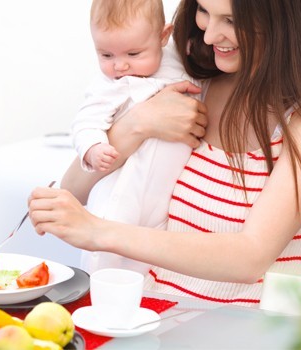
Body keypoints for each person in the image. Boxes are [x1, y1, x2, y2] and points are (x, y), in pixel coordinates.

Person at [29, 0, 301, 307]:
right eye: (204, 12)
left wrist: (99, 231)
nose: (209, 36)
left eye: (231, 21)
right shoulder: (197, 87)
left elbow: (249, 257)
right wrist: (137, 124)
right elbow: (74, 189)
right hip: (157, 317)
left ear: (283, 21)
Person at [71, 0, 199, 273]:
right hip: (120, 193)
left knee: (151, 264)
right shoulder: (109, 86)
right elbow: (86, 121)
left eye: (133, 53)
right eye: (106, 55)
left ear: (163, 36)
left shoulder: (176, 60)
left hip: (162, 199)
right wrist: (93, 148)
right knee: (105, 261)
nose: (120, 66)